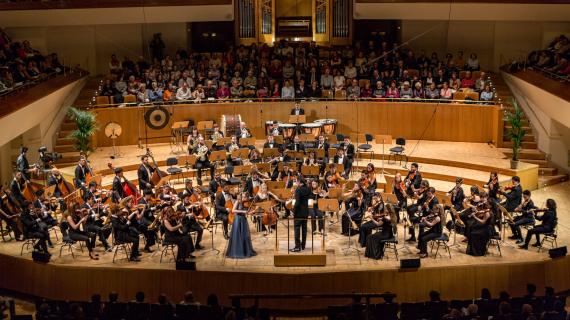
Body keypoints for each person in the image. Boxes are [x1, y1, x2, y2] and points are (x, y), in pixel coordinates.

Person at [226, 192, 256, 259]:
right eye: (243, 197)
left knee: (245, 235)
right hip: (237, 220)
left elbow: (247, 212)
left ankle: (245, 251)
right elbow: (233, 210)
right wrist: (243, 211)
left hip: (243, 220)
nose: (244, 198)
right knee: (238, 235)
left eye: (245, 197)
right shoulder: (237, 201)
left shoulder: (246, 203)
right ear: (241, 196)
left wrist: (252, 212)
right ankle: (238, 251)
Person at [290, 175, 311, 252]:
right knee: (304, 229)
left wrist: (293, 210)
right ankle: (303, 245)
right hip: (305, 212)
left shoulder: (298, 190)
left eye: (296, 181)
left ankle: (297, 247)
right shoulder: (308, 188)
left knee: (297, 228)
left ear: (299, 181)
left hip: (298, 212)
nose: (296, 183)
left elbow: (297, 202)